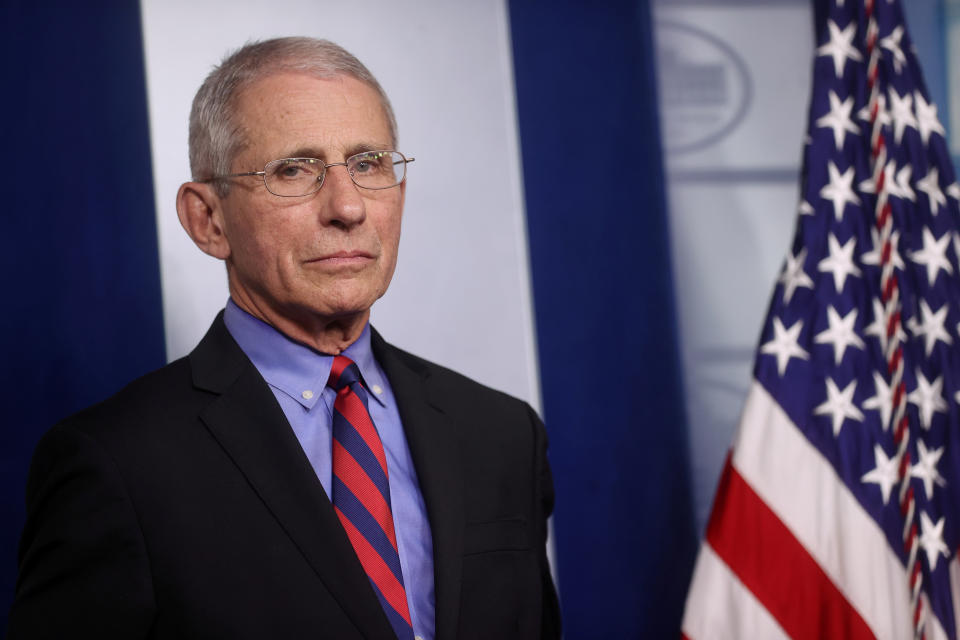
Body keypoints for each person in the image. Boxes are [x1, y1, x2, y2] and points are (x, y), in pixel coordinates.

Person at [7, 37, 560, 640]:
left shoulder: (502, 434)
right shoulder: (116, 465)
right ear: (208, 220)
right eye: (295, 170)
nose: (348, 207)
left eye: (369, 163)